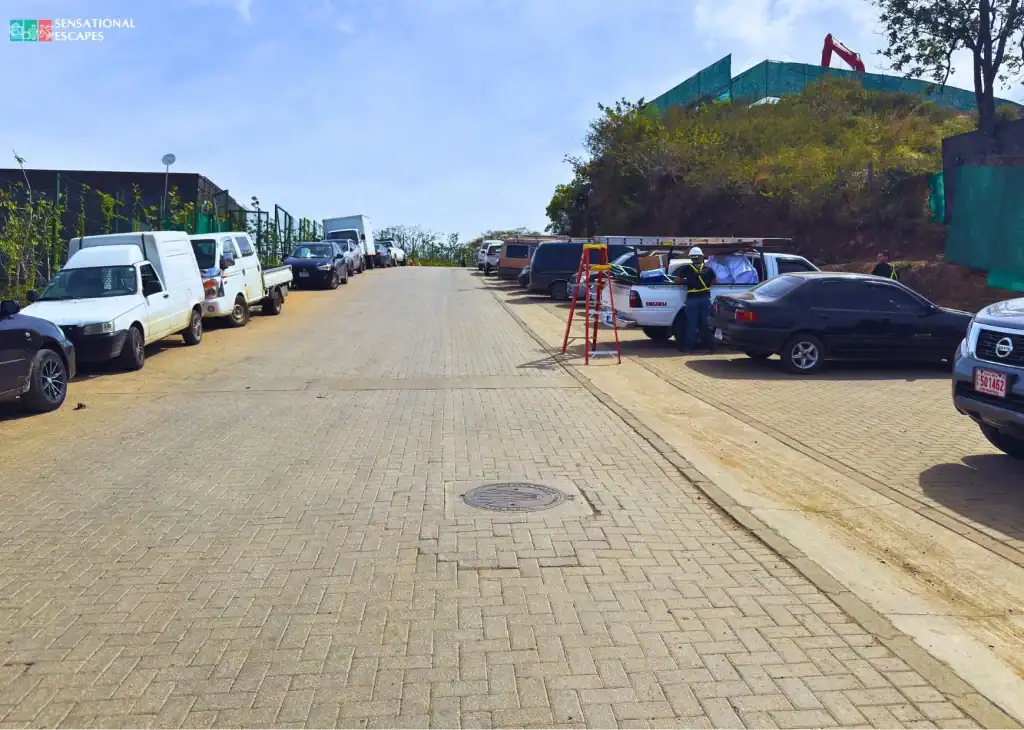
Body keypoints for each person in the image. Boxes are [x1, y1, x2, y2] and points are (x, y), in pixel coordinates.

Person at [680, 246, 717, 352]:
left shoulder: (686, 269)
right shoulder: (709, 269)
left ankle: (688, 347)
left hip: (692, 300)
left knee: (692, 325)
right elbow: (715, 281)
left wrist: (688, 282)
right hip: (705, 299)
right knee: (706, 324)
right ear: (702, 257)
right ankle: (711, 347)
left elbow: (677, 280)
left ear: (691, 258)